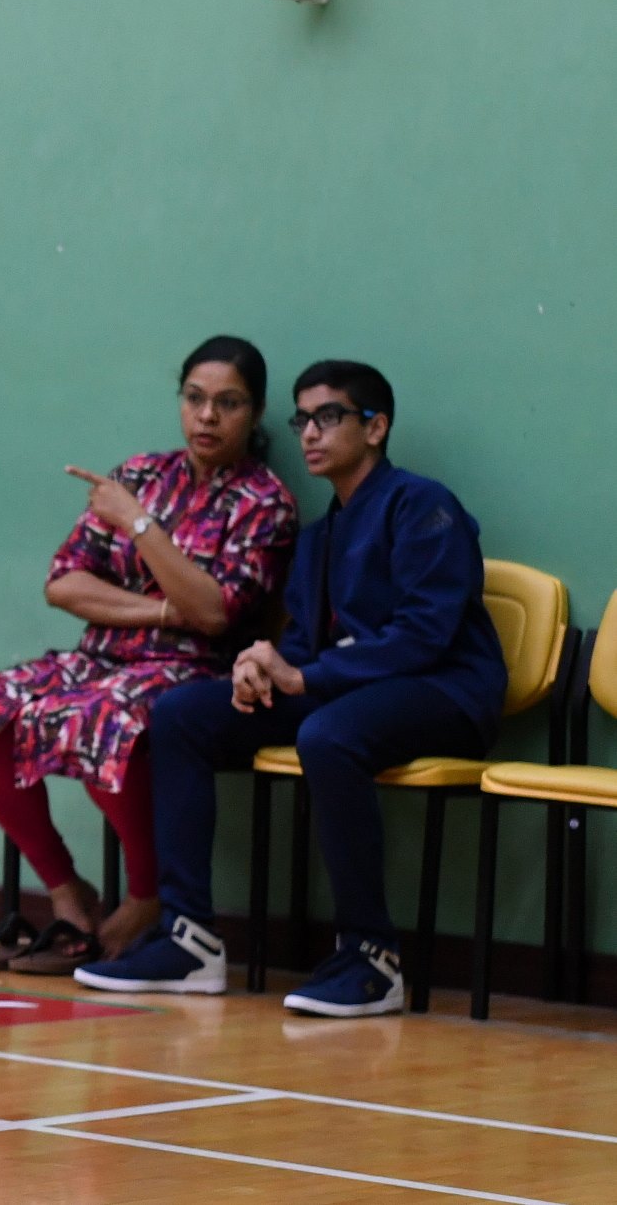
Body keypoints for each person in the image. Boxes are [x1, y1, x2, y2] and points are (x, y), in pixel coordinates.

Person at [77, 361, 507, 1017]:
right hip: (350, 692)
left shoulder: (423, 505)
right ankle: (190, 940)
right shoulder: (319, 537)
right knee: (187, 712)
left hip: (443, 691)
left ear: (376, 427)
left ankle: (372, 957)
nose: (309, 431)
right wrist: (261, 667)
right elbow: (306, 645)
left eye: (328, 416)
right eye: (301, 418)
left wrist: (305, 676)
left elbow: (425, 636)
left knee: (329, 734)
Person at [0, 337, 297, 974]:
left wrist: (141, 528)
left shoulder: (264, 502)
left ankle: (147, 898)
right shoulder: (140, 476)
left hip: (193, 671)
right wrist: (161, 607)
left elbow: (213, 614)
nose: (207, 417)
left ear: (255, 413)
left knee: (106, 719)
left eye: (228, 404)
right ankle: (70, 898)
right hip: (101, 656)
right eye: (195, 399)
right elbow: (64, 583)